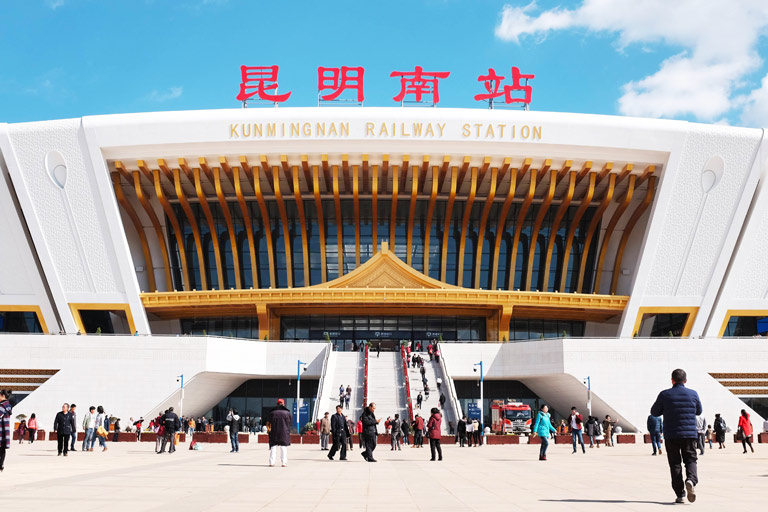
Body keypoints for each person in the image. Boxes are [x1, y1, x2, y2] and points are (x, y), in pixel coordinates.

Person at [651, 368, 703, 504]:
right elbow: (699, 411)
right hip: (690, 434)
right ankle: (691, 480)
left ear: (672, 380)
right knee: (691, 459)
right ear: (685, 381)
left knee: (675, 464)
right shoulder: (693, 394)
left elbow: (654, 412)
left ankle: (680, 494)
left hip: (672, 435)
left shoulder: (665, 394)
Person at [267, 398, 292, 467]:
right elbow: (290, 423)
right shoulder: (287, 413)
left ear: (277, 404)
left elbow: (268, 423)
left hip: (274, 432)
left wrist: (269, 431)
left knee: (273, 448)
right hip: (284, 432)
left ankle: (271, 462)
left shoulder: (272, 413)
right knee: (283, 447)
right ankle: (284, 462)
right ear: (283, 404)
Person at [0, 390, 11, 471]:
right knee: (2, 448)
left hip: (0, 429)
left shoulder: (2, 405)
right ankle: (1, 464)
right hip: (5, 430)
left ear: (3, 395)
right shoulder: (8, 405)